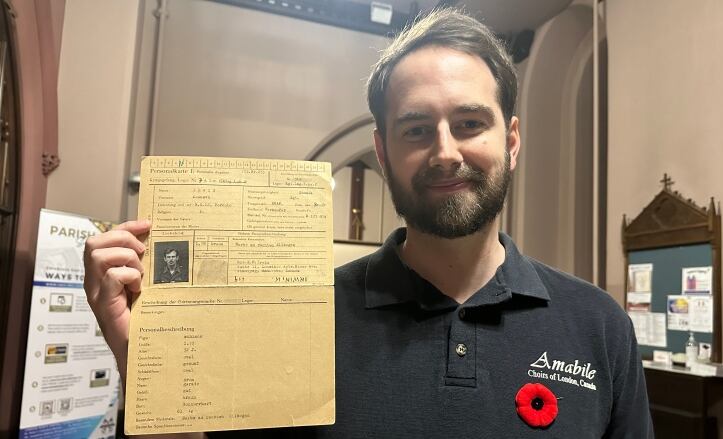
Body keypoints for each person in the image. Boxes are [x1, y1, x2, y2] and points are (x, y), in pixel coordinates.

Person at [83, 8, 653, 438]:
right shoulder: (299, 317)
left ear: (510, 140)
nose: (445, 152)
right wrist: (141, 357)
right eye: (415, 129)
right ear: (382, 153)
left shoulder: (599, 327)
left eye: (470, 122)